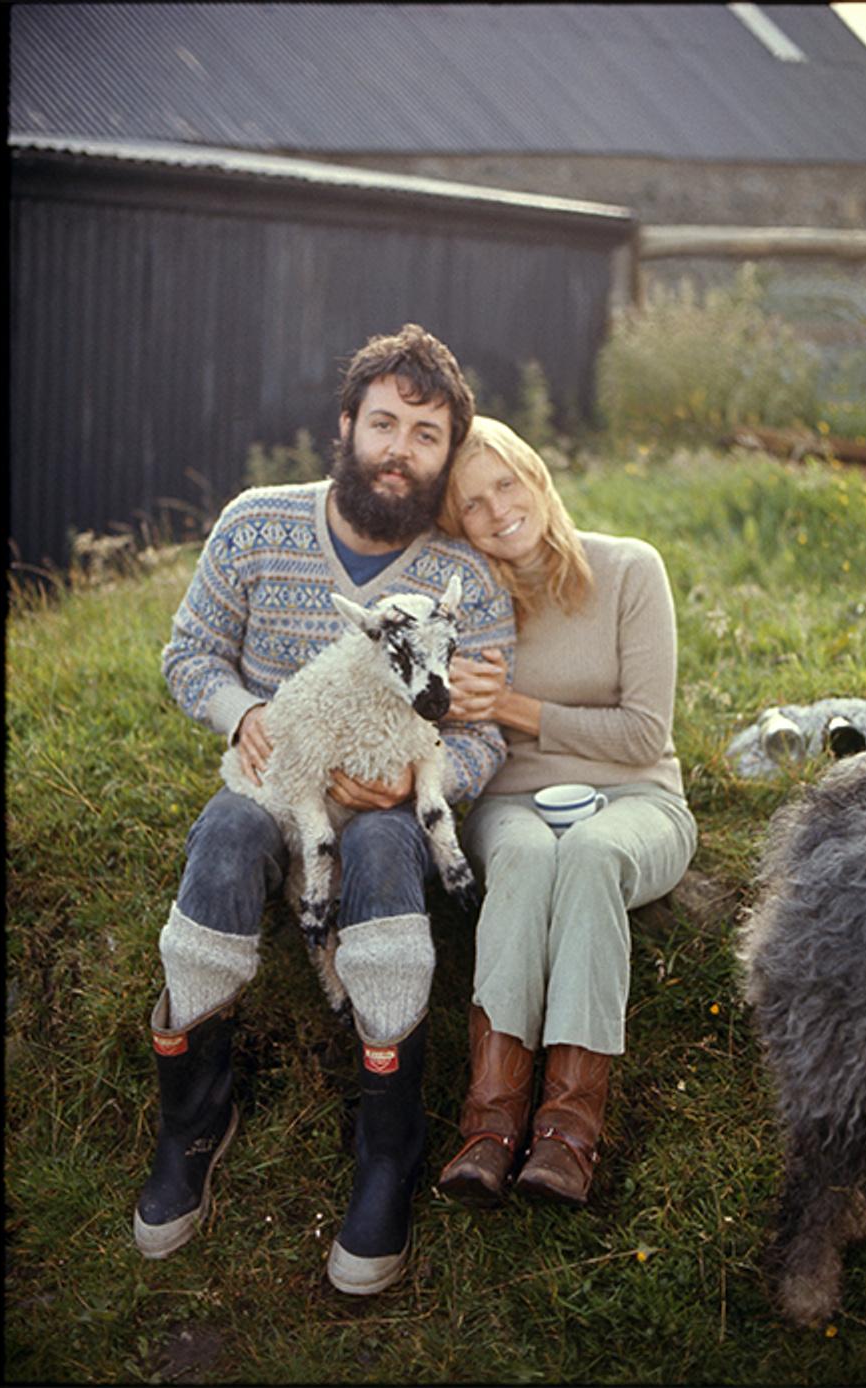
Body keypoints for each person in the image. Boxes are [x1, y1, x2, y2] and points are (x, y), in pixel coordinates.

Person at [133, 325, 516, 1297]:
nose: (399, 446)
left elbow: (482, 732)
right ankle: (191, 1118)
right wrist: (245, 711)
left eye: (425, 434)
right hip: (274, 783)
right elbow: (189, 653)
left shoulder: (462, 583)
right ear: (345, 425)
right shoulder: (256, 523)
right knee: (224, 834)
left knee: (389, 846)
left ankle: (387, 1144)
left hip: (386, 802)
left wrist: (418, 779)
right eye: (383, 421)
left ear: (444, 455)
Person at [433, 417, 697, 1209]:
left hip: (639, 797)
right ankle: (489, 1128)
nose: (497, 511)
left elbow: (645, 732)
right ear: (456, 524)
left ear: (538, 476)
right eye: (471, 504)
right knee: (526, 856)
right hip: (510, 802)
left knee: (590, 855)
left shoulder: (629, 570)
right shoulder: (470, 602)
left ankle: (567, 1134)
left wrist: (514, 705)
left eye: (506, 483)